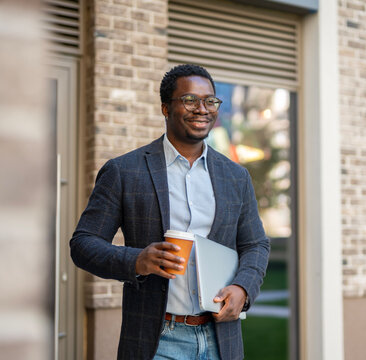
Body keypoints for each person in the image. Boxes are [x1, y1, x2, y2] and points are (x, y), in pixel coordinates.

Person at [70, 64, 270, 360]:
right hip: (157, 339)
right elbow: (83, 244)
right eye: (190, 100)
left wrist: (243, 287)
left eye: (210, 101)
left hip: (220, 340)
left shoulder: (235, 176)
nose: (202, 109)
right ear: (165, 108)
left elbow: (255, 244)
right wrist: (136, 260)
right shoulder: (124, 171)